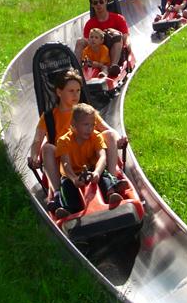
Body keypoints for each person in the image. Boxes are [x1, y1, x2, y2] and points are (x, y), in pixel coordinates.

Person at [29, 69, 125, 211]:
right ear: (59, 92)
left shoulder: (85, 112)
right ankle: (57, 194)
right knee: (47, 148)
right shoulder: (49, 117)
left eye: (78, 90)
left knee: (110, 134)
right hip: (65, 160)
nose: (76, 95)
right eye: (71, 91)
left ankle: (112, 180)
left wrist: (118, 139)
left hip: (89, 155)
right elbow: (37, 141)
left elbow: (106, 128)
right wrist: (34, 157)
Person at [55, 103, 132, 217]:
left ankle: (111, 194)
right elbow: (65, 163)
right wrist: (74, 178)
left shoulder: (96, 136)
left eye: (92, 125)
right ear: (73, 124)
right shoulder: (64, 141)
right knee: (66, 186)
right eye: (86, 125)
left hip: (92, 169)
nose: (90, 129)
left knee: (104, 176)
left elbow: (102, 157)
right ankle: (69, 210)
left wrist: (97, 172)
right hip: (73, 174)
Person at [75, 0, 129, 75]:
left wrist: (129, 47)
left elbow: (126, 36)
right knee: (80, 41)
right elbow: (87, 42)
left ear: (106, 2)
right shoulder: (90, 23)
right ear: (92, 5)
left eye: (101, 2)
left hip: (114, 48)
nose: (98, 5)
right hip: (97, 51)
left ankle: (113, 66)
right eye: (95, 3)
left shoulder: (118, 18)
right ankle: (77, 69)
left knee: (117, 36)